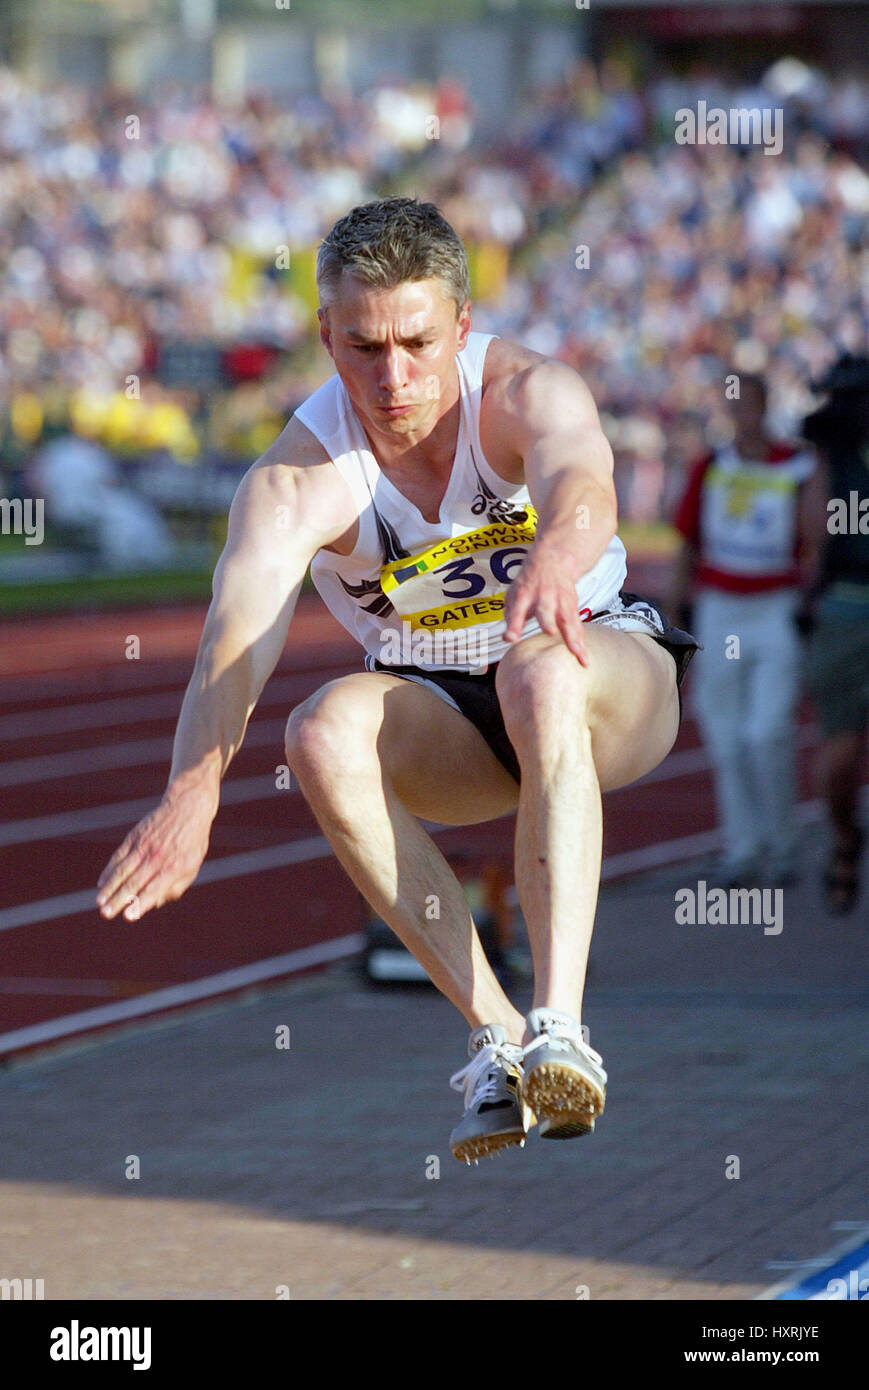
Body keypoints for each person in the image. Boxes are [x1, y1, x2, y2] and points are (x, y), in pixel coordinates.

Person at [96, 197, 699, 1163]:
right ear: (325, 334)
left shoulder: (523, 392)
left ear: (460, 327)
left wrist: (555, 556)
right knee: (319, 732)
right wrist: (192, 789)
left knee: (539, 672)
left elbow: (583, 481)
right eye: (365, 348)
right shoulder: (297, 479)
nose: (394, 377)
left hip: (598, 673)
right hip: (448, 712)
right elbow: (236, 636)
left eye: (417, 343)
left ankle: (562, 1028)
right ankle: (498, 1036)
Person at [668, 375, 815, 887]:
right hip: (719, 609)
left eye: (749, 405)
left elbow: (815, 539)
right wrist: (675, 612)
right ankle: (743, 848)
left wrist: (809, 600)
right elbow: (687, 541)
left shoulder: (797, 465)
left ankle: (784, 845)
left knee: (767, 733)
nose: (741, 415)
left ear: (765, 406)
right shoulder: (710, 466)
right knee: (726, 735)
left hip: (776, 607)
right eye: (734, 405)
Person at [798, 354, 869, 913]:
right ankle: (845, 839)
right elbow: (818, 526)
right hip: (847, 604)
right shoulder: (834, 446)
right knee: (839, 754)